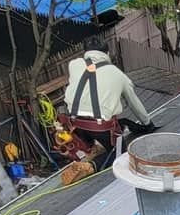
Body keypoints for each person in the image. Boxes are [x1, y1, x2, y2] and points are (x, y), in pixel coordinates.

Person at [63, 37, 155, 168]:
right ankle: (91, 167)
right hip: (101, 128)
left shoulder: (74, 64)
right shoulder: (117, 74)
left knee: (110, 128)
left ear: (86, 52)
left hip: (76, 126)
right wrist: (147, 123)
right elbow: (133, 102)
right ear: (107, 53)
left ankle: (91, 148)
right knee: (121, 153)